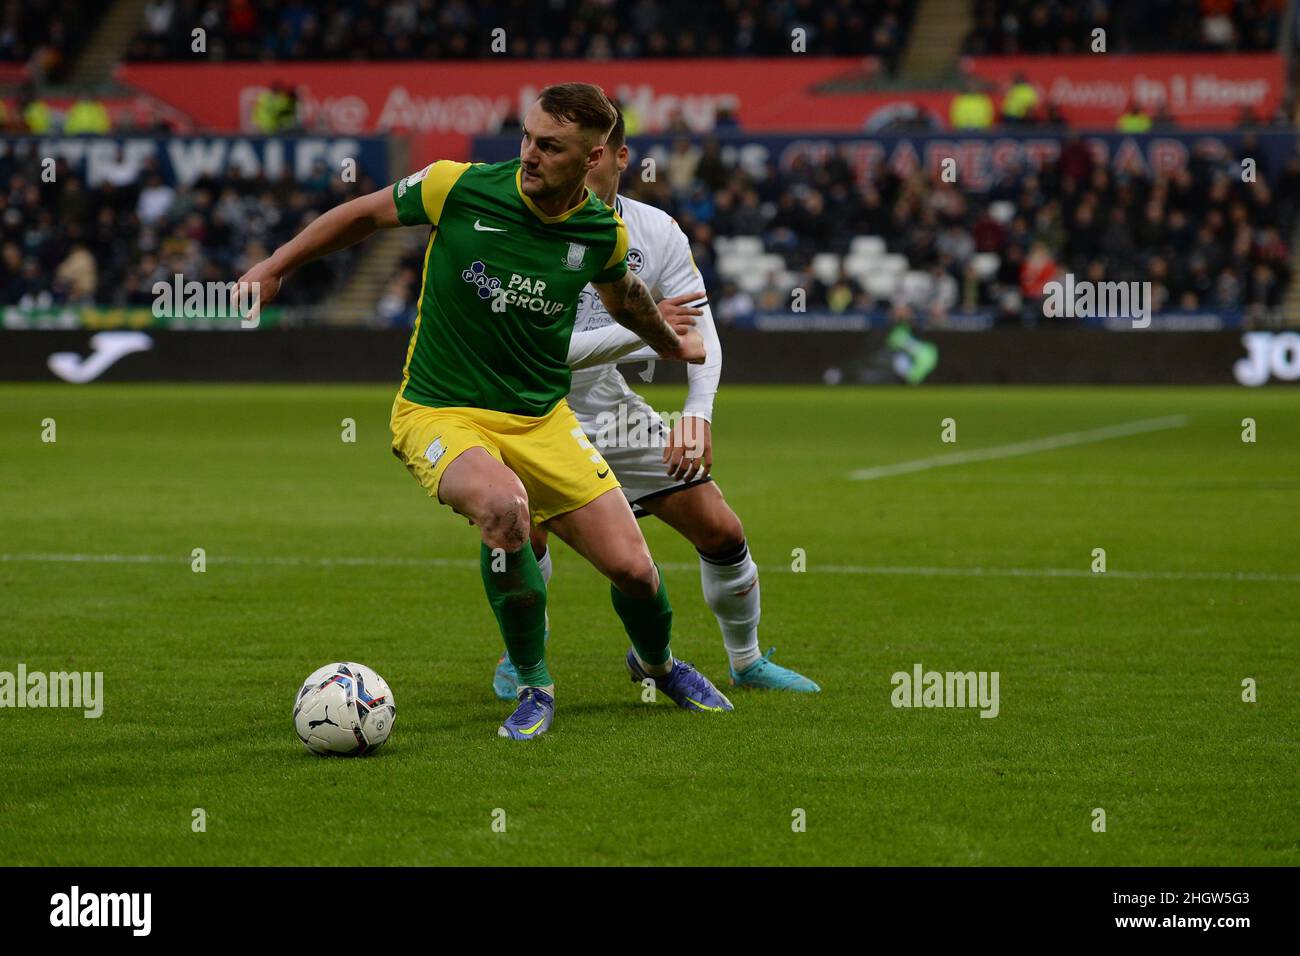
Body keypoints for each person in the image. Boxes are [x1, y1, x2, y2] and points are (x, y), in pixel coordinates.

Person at [237, 83, 733, 741]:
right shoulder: (457, 186)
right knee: (504, 511)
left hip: (540, 419)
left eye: (549, 146)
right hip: (441, 412)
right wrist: (275, 267)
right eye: (527, 137)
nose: (529, 154)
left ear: (590, 159)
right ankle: (534, 685)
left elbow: (628, 300)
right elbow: (362, 215)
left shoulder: (596, 231)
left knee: (636, 571)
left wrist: (671, 343)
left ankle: (661, 665)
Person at [492, 109, 819, 700]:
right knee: (520, 530)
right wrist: (646, 332)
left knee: (720, 529)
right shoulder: (519, 226)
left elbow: (701, 331)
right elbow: (538, 350)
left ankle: (745, 661)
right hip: (527, 409)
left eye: (593, 158)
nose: (578, 172)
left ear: (616, 159)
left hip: (607, 408)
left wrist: (696, 414)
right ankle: (524, 660)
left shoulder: (656, 230)